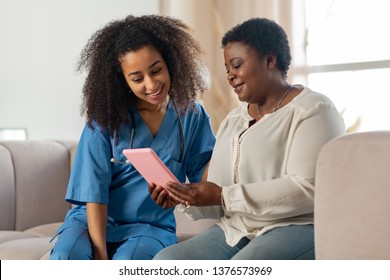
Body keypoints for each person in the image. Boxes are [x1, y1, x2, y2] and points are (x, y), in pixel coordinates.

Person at [150, 17, 346, 260]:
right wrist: (186, 198)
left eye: (237, 64)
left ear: (270, 60)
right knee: (165, 262)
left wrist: (223, 196)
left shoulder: (313, 109)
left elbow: (308, 189)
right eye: (227, 69)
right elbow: (220, 194)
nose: (231, 76)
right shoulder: (234, 121)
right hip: (237, 230)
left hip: (297, 226)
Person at [49, 15, 216, 260]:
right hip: (92, 221)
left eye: (157, 70)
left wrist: (233, 143)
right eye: (137, 78)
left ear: (170, 62)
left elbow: (205, 178)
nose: (151, 84)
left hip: (151, 227)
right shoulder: (104, 119)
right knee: (67, 256)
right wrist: (101, 255)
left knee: (130, 263)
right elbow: (93, 193)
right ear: (123, 81)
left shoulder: (192, 115)